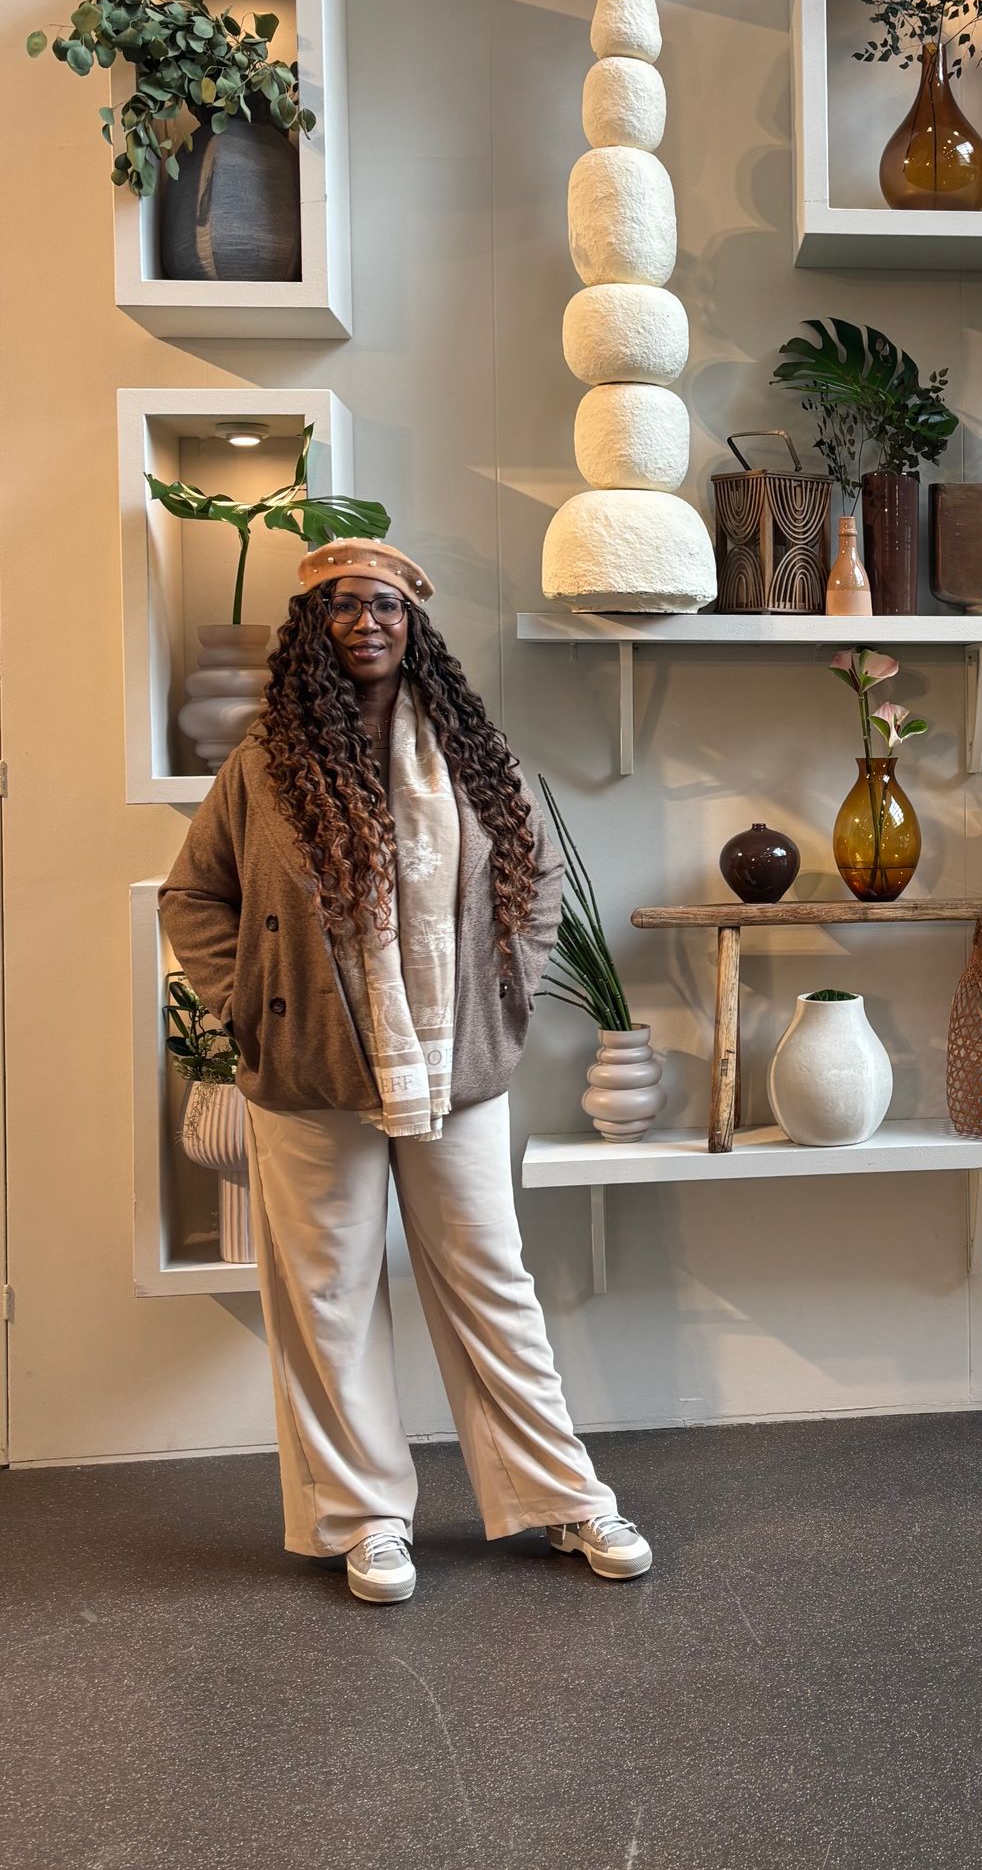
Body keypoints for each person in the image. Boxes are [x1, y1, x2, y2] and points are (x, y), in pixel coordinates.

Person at [160, 540, 651, 1605]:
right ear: (313, 630)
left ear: (414, 624)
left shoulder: (474, 756)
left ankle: (561, 1496)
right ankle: (366, 1520)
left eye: (384, 606)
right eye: (342, 608)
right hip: (307, 1073)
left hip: (455, 1068)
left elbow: (537, 881)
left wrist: (507, 993)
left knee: (491, 1279)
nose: (366, 623)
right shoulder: (266, 765)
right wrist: (246, 1003)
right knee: (329, 1293)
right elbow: (191, 897)